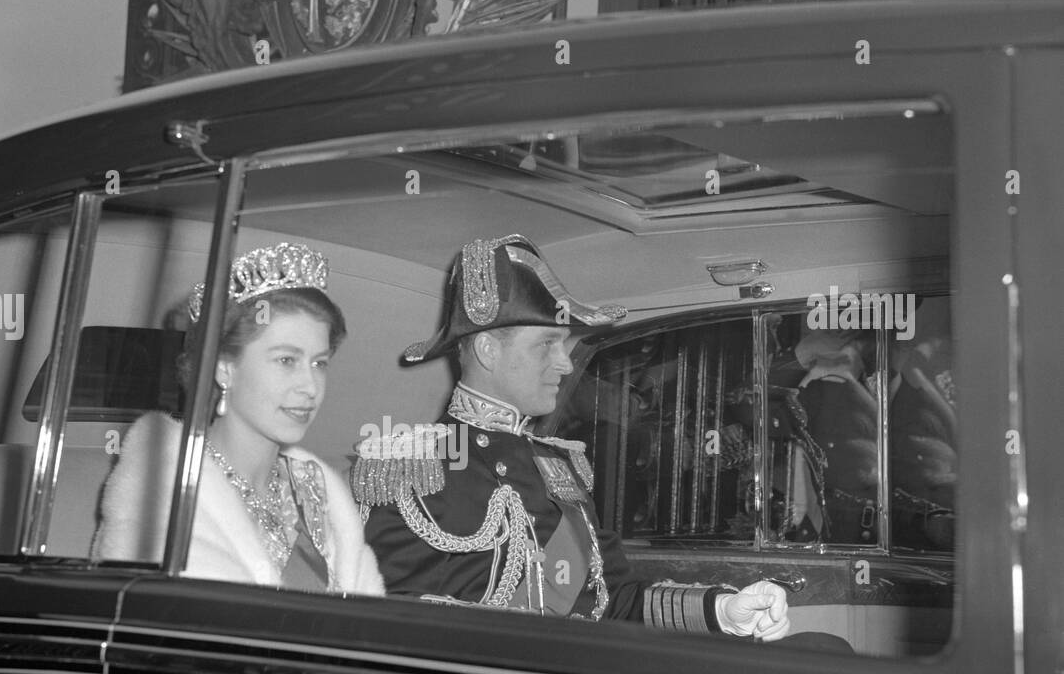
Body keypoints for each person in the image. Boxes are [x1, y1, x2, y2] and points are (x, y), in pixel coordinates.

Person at [354, 233, 821, 641]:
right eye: (546, 345)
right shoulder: (411, 467)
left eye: (563, 345)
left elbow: (612, 600)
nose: (563, 362)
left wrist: (721, 610)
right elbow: (390, 627)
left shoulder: (561, 466)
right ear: (487, 350)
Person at [92, 241, 385, 595]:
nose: (310, 386)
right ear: (225, 369)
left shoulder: (320, 494)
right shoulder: (160, 493)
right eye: (286, 360)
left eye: (319, 363)